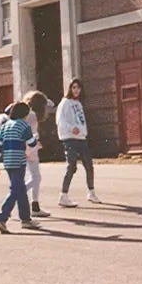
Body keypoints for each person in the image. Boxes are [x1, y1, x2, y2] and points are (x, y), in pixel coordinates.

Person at [0, 101, 42, 233]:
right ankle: (2, 218)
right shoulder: (23, 126)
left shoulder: (5, 126)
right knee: (16, 190)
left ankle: (25, 219)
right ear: (24, 114)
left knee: (20, 190)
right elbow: (31, 143)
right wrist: (37, 141)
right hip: (19, 161)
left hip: (8, 162)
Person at [55, 78, 101, 207]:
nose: (76, 90)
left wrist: (83, 132)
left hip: (81, 139)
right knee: (72, 167)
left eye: (78, 88)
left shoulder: (78, 104)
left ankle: (91, 192)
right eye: (74, 87)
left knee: (89, 166)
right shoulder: (65, 103)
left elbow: (81, 120)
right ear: (69, 88)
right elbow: (60, 120)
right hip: (70, 139)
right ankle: (63, 195)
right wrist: (71, 129)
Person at [22, 90, 57, 216]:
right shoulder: (32, 116)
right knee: (36, 177)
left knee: (35, 177)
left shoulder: (28, 114)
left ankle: (35, 206)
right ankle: (17, 196)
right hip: (29, 149)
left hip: (27, 148)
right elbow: (28, 133)